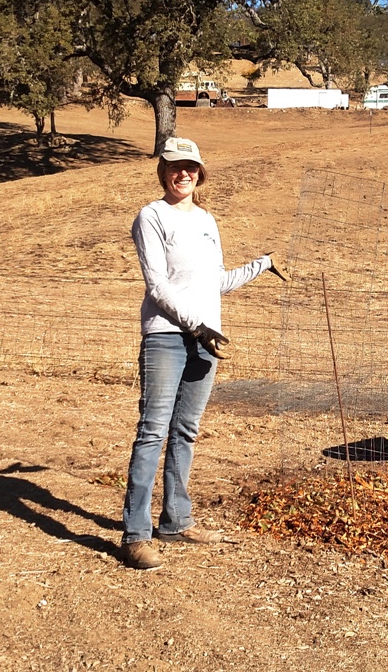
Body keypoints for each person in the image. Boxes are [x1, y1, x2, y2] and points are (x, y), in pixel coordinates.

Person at [120, 136, 279, 570]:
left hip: (207, 340)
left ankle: (176, 521)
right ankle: (135, 534)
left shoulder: (208, 220)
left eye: (190, 167)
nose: (183, 173)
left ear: (200, 172)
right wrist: (196, 326)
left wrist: (262, 265)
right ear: (163, 171)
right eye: (175, 166)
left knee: (185, 431)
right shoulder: (151, 216)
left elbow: (215, 283)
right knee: (153, 431)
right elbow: (158, 286)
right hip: (168, 335)